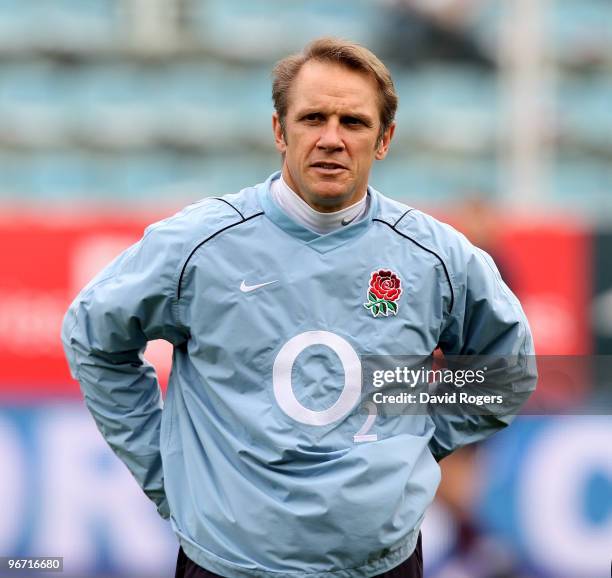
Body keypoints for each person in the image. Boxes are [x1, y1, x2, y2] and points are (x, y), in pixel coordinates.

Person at [62, 37, 536, 578]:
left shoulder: (436, 256)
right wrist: (164, 471)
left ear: (384, 139)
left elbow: (506, 368)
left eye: (353, 122)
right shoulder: (196, 245)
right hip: (227, 565)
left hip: (381, 565)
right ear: (279, 131)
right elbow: (94, 337)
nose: (331, 139)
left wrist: (421, 441)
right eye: (313, 118)